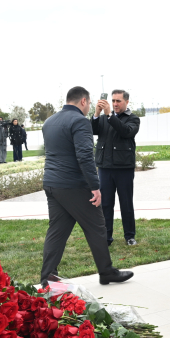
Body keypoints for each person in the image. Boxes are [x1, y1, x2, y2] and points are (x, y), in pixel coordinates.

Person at [40, 86, 133, 287]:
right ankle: (106, 272)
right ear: (83, 101)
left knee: (57, 231)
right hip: (73, 185)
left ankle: (48, 276)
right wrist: (95, 186)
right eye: (89, 103)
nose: (89, 106)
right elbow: (84, 156)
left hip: (52, 184)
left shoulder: (49, 122)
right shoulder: (79, 121)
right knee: (97, 227)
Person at [93, 89, 141, 246]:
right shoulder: (104, 117)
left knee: (126, 203)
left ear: (126, 102)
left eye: (118, 101)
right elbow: (93, 130)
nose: (114, 104)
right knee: (105, 204)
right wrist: (96, 114)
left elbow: (125, 132)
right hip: (105, 167)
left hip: (123, 168)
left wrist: (109, 115)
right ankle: (106, 237)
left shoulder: (132, 119)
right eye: (113, 101)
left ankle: (129, 236)